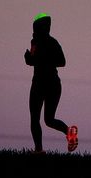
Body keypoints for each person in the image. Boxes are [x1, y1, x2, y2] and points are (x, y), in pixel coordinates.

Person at [24, 12, 78, 153]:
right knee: (39, 119)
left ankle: (67, 134)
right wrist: (29, 58)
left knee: (45, 119)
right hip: (42, 84)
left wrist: (41, 59)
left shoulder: (52, 42)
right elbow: (32, 60)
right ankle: (39, 149)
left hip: (49, 84)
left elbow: (62, 62)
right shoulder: (35, 42)